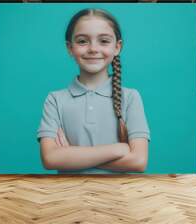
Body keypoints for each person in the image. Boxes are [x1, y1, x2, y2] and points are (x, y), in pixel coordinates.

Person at [37, 8, 150, 174]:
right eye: (82, 41)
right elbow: (50, 159)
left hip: (118, 196)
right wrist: (119, 149)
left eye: (104, 41)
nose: (93, 49)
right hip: (67, 194)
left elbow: (139, 161)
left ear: (117, 47)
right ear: (70, 48)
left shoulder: (131, 97)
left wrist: (71, 157)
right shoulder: (55, 99)